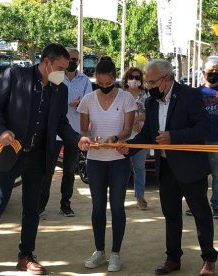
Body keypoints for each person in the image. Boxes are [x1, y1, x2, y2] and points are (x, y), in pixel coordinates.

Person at [0, 43, 82, 275]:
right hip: (11, 152)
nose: (65, 72)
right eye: (61, 67)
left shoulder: (59, 88)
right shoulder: (15, 76)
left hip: (39, 156)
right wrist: (1, 131)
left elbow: (61, 121)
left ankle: (26, 255)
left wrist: (78, 139)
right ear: (47, 62)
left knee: (32, 208)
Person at [116, 59, 218, 276]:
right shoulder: (152, 103)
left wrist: (174, 137)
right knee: (171, 214)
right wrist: (129, 147)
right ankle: (173, 258)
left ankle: (209, 259)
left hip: (191, 167)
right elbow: (147, 134)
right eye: (148, 82)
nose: (149, 86)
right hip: (167, 168)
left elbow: (204, 128)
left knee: (201, 214)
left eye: (152, 82)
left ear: (167, 79)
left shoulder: (189, 95)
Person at [77, 57, 136, 272]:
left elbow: (127, 131)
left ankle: (115, 253)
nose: (104, 87)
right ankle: (99, 250)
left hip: (119, 160)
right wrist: (87, 139)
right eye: (100, 84)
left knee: (118, 207)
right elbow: (84, 130)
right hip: (95, 161)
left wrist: (114, 138)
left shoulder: (126, 98)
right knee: (98, 207)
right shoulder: (88, 100)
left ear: (114, 78)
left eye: (107, 82)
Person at [39, 47, 92, 217]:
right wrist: (70, 102)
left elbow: (88, 102)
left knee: (69, 171)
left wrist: (80, 105)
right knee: (47, 171)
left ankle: (65, 204)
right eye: (71, 59)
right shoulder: (56, 77)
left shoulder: (84, 80)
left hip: (74, 132)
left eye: (76, 60)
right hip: (54, 133)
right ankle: (40, 205)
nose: (73, 63)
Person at [186, 59, 218, 219]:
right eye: (210, 71)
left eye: (216, 70)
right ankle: (197, 205)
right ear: (203, 73)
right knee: (198, 175)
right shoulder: (195, 93)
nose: (213, 73)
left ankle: (217, 207)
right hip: (199, 141)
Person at [120, 67, 149, 210]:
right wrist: (132, 122)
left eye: (138, 77)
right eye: (132, 77)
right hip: (124, 136)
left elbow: (150, 113)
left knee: (139, 167)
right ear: (126, 78)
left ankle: (140, 196)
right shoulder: (120, 95)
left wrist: (136, 119)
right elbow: (118, 113)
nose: (135, 80)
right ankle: (120, 197)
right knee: (123, 168)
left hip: (141, 136)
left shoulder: (146, 95)